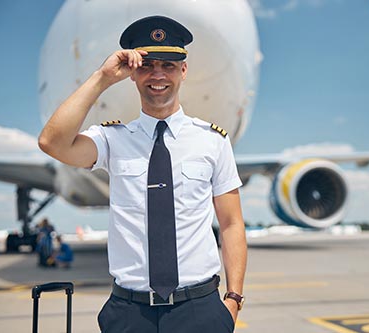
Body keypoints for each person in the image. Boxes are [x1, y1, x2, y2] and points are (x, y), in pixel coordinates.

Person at [38, 15, 247, 333]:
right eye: (147, 65)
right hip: (129, 314)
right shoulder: (112, 139)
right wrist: (103, 78)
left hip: (200, 310)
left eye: (169, 65)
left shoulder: (212, 141)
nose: (158, 75)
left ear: (183, 71)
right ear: (133, 74)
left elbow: (231, 224)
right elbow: (52, 143)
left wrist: (232, 300)